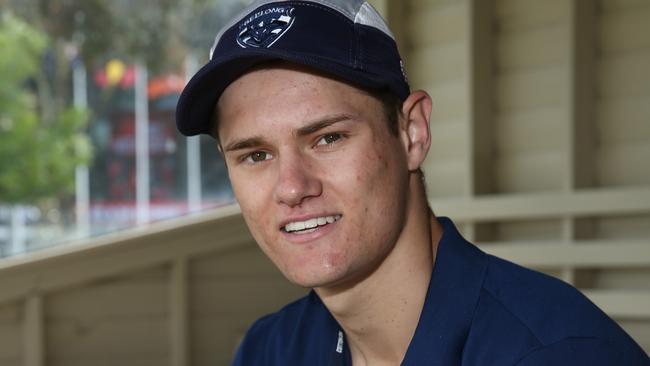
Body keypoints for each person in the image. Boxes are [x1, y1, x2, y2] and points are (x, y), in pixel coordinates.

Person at [176, 1, 649, 365]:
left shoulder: (555, 353)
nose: (292, 187)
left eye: (328, 138)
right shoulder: (272, 350)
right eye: (255, 155)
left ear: (412, 133)